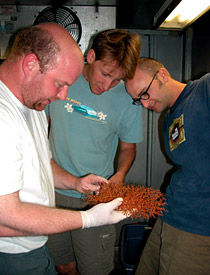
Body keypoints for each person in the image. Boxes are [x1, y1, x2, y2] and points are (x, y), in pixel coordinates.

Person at [0, 23, 128, 275]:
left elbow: (43, 163)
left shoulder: (31, 103)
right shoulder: (3, 118)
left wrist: (74, 183)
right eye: (59, 83)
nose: (62, 96)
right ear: (30, 65)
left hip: (37, 243)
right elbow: (6, 217)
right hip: (12, 255)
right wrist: (89, 219)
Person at [46, 29, 143, 275]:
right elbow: (42, 125)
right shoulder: (63, 78)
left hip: (95, 198)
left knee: (94, 270)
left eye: (116, 80)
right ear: (91, 56)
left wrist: (120, 174)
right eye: (106, 74)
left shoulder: (125, 99)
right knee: (64, 265)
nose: (107, 85)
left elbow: (128, 147)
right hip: (53, 193)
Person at [125, 57, 210, 275]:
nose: (144, 103)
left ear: (162, 75)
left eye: (145, 93)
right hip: (169, 213)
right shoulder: (167, 121)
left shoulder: (204, 89)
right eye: (138, 100)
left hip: (197, 225)